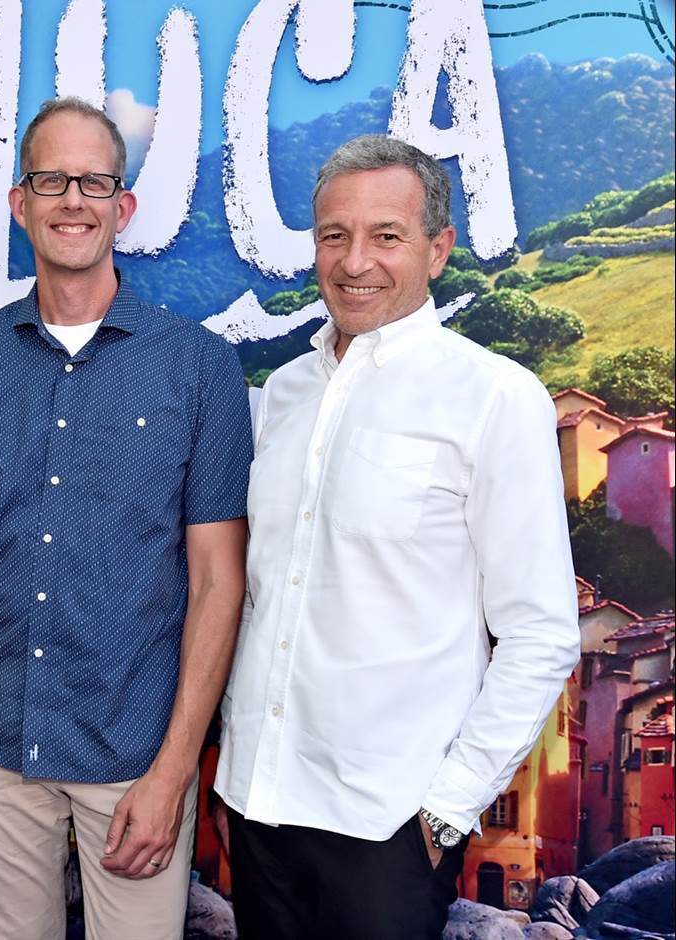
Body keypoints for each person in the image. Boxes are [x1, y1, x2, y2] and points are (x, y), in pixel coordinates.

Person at [0, 97, 253, 940]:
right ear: (19, 202)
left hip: (134, 754)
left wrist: (176, 771)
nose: (73, 200)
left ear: (122, 207)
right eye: (50, 180)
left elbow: (217, 580)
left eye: (94, 181)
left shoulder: (200, 370)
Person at [215, 135, 581, 939]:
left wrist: (448, 809)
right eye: (334, 235)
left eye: (387, 236)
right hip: (258, 802)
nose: (355, 262)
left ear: (438, 249)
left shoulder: (494, 397)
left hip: (388, 826)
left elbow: (542, 633)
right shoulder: (281, 392)